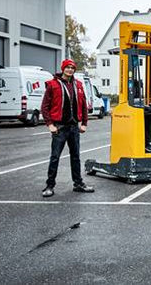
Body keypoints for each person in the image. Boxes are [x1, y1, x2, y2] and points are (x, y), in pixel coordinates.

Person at [40, 59, 94, 197]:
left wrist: (84, 123)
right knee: (55, 157)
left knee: (76, 157)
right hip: (59, 127)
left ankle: (78, 184)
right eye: (67, 67)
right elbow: (44, 107)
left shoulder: (79, 85)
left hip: (74, 127)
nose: (70, 70)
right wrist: (50, 125)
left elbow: (83, 106)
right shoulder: (52, 85)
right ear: (63, 68)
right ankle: (49, 186)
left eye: (72, 68)